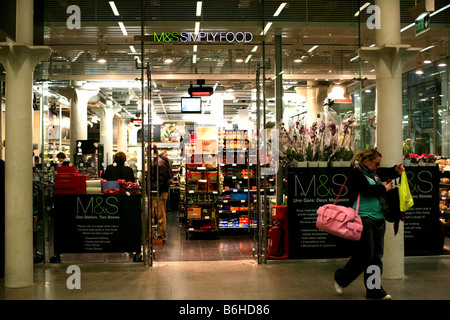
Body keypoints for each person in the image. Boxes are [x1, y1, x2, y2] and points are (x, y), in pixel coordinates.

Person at [334, 148, 404, 300]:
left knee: (376, 256)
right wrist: (384, 188)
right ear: (367, 161)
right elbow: (365, 190)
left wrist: (395, 169)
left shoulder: (374, 173)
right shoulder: (356, 173)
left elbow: (385, 172)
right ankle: (341, 278)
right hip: (362, 217)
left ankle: (373, 290)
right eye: (377, 163)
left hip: (378, 218)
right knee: (366, 254)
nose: (379, 166)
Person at [140, 146, 172, 244]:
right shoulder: (158, 161)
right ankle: (155, 236)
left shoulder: (158, 162)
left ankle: (160, 236)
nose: (146, 153)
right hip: (158, 191)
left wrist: (152, 188)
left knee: (157, 214)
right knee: (157, 214)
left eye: (146, 151)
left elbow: (159, 179)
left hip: (157, 192)